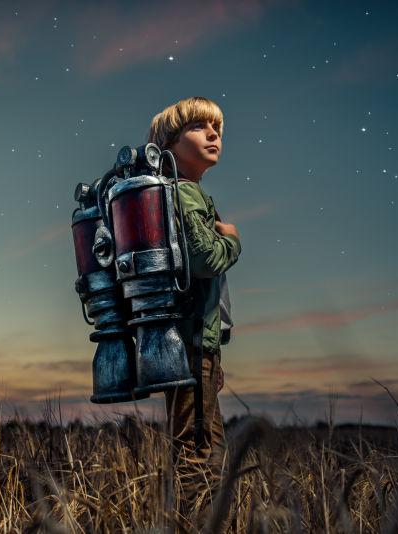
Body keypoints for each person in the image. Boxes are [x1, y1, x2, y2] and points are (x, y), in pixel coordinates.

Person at [147, 97, 242, 499]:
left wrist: (214, 354)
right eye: (198, 127)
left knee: (205, 450)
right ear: (168, 144)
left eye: (216, 127)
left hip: (193, 345)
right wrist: (231, 239)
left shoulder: (188, 194)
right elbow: (205, 259)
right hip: (186, 344)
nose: (213, 133)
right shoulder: (184, 194)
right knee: (200, 458)